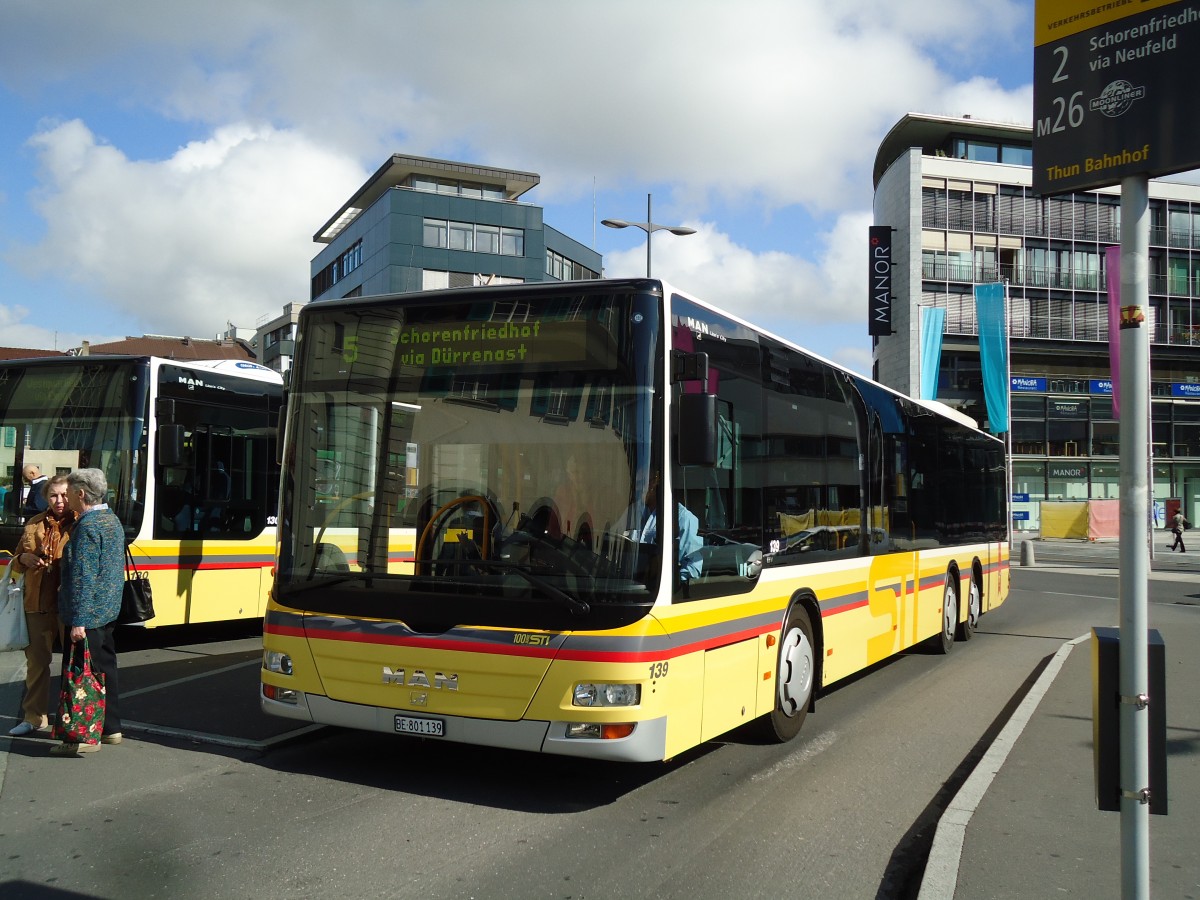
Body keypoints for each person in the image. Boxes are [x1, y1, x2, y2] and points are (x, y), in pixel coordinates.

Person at [51, 468, 126, 756]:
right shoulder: (111, 520)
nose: (66, 498)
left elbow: (84, 576)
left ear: (81, 494)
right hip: (107, 611)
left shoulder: (88, 526)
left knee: (81, 676)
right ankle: (110, 728)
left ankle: (81, 736)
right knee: (105, 670)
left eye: (69, 493)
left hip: (87, 613)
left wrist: (78, 621)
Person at [7, 475, 74, 737]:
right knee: (36, 663)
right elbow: (14, 561)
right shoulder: (34, 524)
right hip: (37, 602)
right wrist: (23, 558)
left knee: (74, 664)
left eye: (64, 495)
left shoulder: (80, 524)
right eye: (54, 495)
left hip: (69, 604)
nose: (59, 501)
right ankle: (34, 717)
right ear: (46, 497)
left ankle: (73, 717)